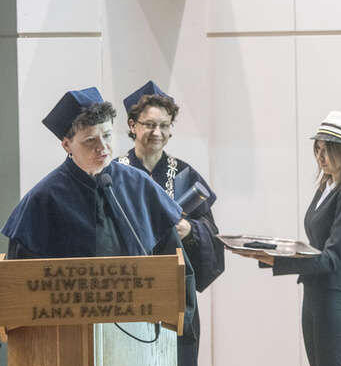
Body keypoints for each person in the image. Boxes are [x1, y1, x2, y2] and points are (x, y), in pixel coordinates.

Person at [1, 87, 198, 340]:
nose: (103, 147)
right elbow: (18, 289)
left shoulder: (139, 186)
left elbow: (176, 269)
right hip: (64, 339)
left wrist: (175, 332)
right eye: (90, 141)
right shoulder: (42, 199)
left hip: (140, 336)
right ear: (67, 144)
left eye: (106, 135)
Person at [235, 111, 341, 366]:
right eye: (317, 149)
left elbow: (333, 257)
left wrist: (277, 260)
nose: (320, 157)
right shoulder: (328, 185)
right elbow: (316, 246)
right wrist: (273, 252)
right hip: (315, 292)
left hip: (334, 294)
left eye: (328, 150)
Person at [117, 80, 224, 366]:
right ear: (132, 126)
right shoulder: (114, 174)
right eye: (149, 125)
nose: (157, 133)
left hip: (176, 294)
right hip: (128, 294)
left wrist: (189, 230)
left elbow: (212, 236)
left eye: (164, 125)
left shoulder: (185, 175)